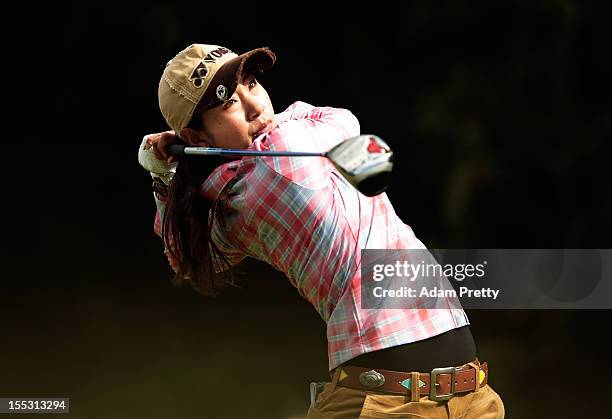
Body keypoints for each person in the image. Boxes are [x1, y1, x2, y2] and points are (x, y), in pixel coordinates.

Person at [138, 43, 505, 418]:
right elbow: (344, 121)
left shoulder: (229, 202)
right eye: (229, 102)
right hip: (388, 404)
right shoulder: (284, 154)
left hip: (464, 396)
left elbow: (183, 254)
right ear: (197, 138)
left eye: (250, 83)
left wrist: (162, 172)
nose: (255, 105)